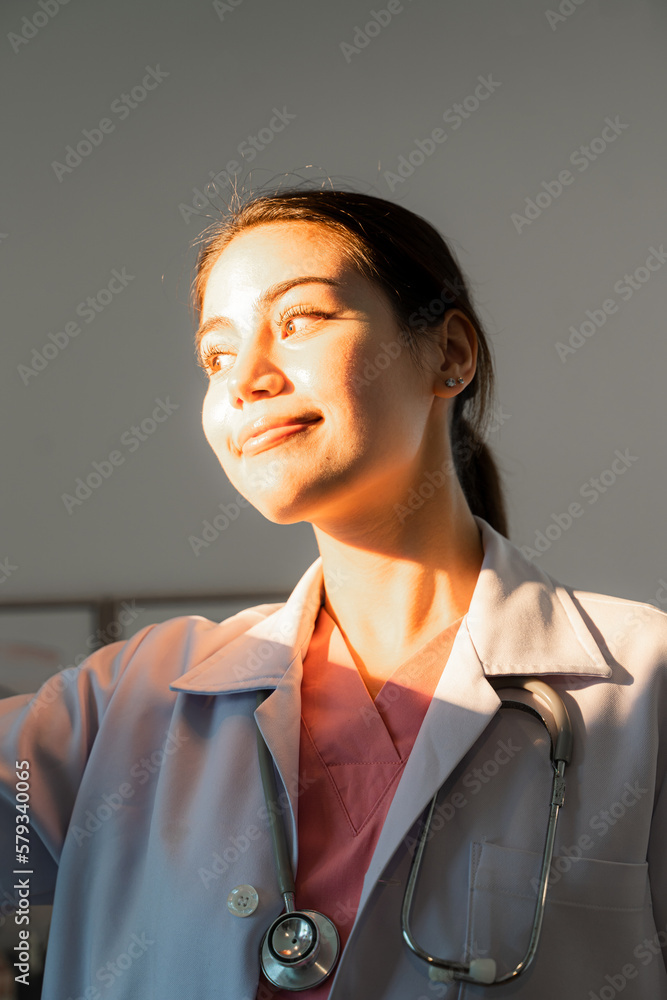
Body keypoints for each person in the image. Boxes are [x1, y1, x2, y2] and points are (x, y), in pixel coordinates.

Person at [0, 187, 665, 999]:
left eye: (301, 320)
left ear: (449, 353)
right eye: (216, 354)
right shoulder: (120, 705)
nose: (245, 379)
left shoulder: (642, 682)